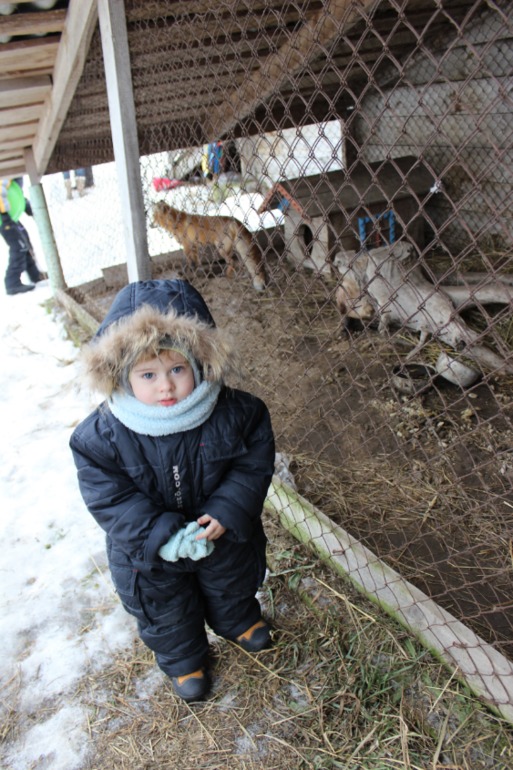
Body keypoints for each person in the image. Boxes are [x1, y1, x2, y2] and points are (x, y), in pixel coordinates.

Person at [69, 279, 276, 702]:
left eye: (176, 369)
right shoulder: (100, 436)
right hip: (149, 554)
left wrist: (228, 509)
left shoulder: (237, 413)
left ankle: (238, 620)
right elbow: (110, 497)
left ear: (201, 363)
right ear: (121, 376)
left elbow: (251, 464)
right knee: (163, 606)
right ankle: (185, 660)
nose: (165, 386)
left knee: (230, 579)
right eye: (148, 374)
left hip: (218, 532)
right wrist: (158, 536)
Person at [0, 177, 46, 295]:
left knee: (25, 243)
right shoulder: (5, 176)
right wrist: (4, 215)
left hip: (10, 218)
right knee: (19, 247)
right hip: (4, 220)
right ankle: (12, 282)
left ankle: (35, 274)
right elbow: (1, 194)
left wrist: (26, 206)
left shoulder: (12, 179)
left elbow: (16, 194)